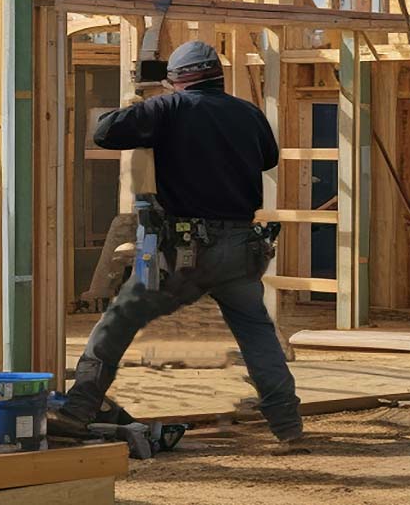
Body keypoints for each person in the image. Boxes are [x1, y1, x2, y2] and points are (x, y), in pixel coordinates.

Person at [52, 40, 306, 454]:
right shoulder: (249, 113)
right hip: (241, 248)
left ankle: (77, 414)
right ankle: (288, 427)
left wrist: (145, 101)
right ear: (217, 75)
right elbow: (267, 160)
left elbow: (105, 131)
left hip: (184, 252)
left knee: (116, 324)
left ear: (179, 78)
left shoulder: (168, 109)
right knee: (257, 336)